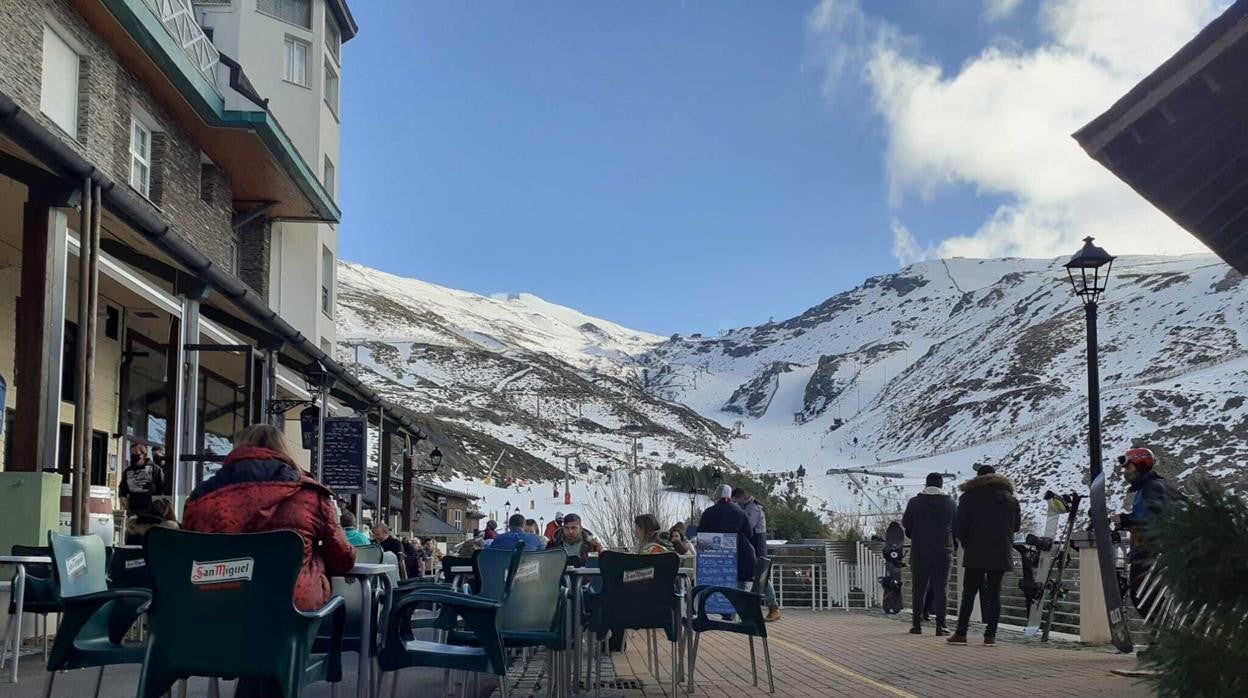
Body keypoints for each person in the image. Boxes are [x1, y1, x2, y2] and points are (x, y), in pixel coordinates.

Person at [183, 425, 355, 698]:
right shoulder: (310, 494)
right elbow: (344, 559)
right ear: (283, 452)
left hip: (218, 609)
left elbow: (189, 552)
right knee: (282, 610)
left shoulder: (201, 497)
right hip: (290, 610)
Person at [948, 466, 1020, 646]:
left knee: (969, 593)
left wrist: (965, 542)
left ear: (978, 478)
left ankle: (961, 633)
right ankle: (990, 636)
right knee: (994, 594)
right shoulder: (1011, 500)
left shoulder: (968, 498)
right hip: (1001, 552)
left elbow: (959, 527)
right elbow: (1016, 526)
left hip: (976, 552)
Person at [1111, 447, 1171, 618]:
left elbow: (1154, 520)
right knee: (1146, 599)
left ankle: (1166, 639)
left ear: (1141, 466)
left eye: (1128, 468)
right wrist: (1126, 521)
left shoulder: (1153, 487)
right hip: (1146, 552)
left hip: (1151, 554)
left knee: (1145, 599)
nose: (1125, 473)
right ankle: (1164, 639)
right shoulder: (1146, 488)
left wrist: (1125, 520)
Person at [902, 472, 957, 636]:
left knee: (918, 589)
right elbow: (957, 525)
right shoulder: (950, 503)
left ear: (926, 484)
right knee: (941, 589)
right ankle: (941, 626)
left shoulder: (914, 502)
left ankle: (916, 625)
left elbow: (907, 525)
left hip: (920, 551)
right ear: (941, 485)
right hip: (943, 551)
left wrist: (917, 536)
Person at [732, 487, 780, 621]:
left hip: (756, 548)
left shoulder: (754, 509)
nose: (735, 503)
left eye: (735, 500)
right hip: (749, 548)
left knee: (762, 578)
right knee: (746, 577)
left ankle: (773, 607)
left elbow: (748, 526)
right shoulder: (748, 507)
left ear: (741, 497)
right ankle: (742, 609)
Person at [697, 484, 757, 588]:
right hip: (739, 559)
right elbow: (749, 534)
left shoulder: (708, 512)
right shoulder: (740, 512)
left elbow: (700, 533)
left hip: (714, 562)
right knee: (738, 594)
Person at [119, 443, 163, 515]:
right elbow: (123, 487)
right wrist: (122, 497)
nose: (133, 454)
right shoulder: (128, 471)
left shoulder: (155, 469)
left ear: (144, 455)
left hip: (150, 510)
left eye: (136, 452)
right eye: (131, 453)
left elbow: (161, 488)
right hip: (133, 510)